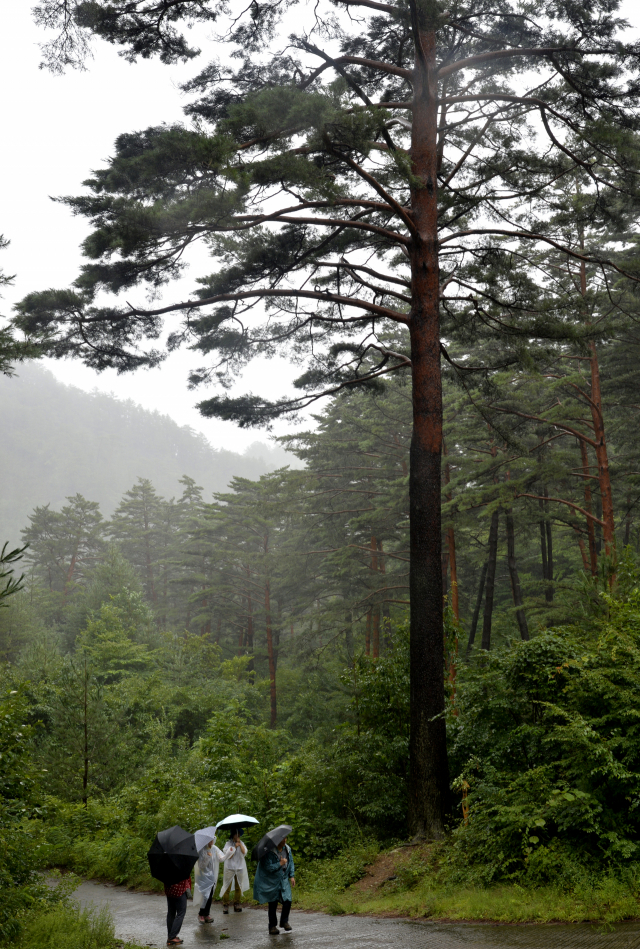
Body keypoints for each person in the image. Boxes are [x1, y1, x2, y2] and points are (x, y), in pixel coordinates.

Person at [253, 835, 296, 935]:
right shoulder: (268, 852)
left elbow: (291, 862)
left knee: (287, 901)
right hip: (272, 881)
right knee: (273, 903)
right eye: (282, 839)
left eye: (285, 838)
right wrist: (279, 864)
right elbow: (268, 867)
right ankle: (272, 926)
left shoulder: (288, 849)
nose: (284, 840)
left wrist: (292, 876)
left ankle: (284, 922)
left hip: (283, 878)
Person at [194, 833, 232, 924]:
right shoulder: (202, 850)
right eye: (209, 840)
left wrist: (229, 853)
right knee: (205, 895)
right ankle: (201, 914)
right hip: (203, 877)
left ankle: (206, 914)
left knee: (210, 895)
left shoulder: (214, 848)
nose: (211, 841)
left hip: (212, 876)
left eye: (212, 839)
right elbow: (201, 865)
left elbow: (221, 858)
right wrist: (207, 857)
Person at [220, 827, 250, 913]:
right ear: (233, 835)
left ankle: (237, 903)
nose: (238, 835)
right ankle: (225, 905)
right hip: (230, 868)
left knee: (238, 887)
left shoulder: (241, 843)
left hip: (239, 867)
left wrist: (240, 845)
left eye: (239, 834)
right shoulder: (228, 844)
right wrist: (235, 847)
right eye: (237, 834)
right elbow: (229, 856)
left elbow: (244, 853)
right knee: (227, 886)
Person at [164, 875, 191, 946]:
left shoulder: (166, 865)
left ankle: (170, 935)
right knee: (181, 913)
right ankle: (172, 936)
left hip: (169, 889)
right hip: (179, 890)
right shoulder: (181, 865)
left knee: (171, 912)